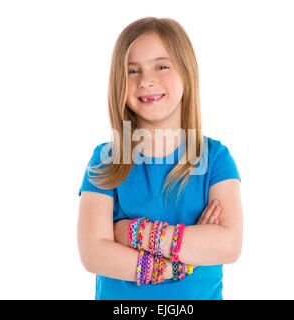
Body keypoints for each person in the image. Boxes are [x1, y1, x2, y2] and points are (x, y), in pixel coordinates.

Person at [77, 17, 243, 300]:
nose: (146, 80)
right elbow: (93, 252)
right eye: (132, 70)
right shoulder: (106, 160)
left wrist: (135, 234)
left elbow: (228, 244)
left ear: (186, 73)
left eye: (161, 66)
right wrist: (185, 258)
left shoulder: (215, 159)